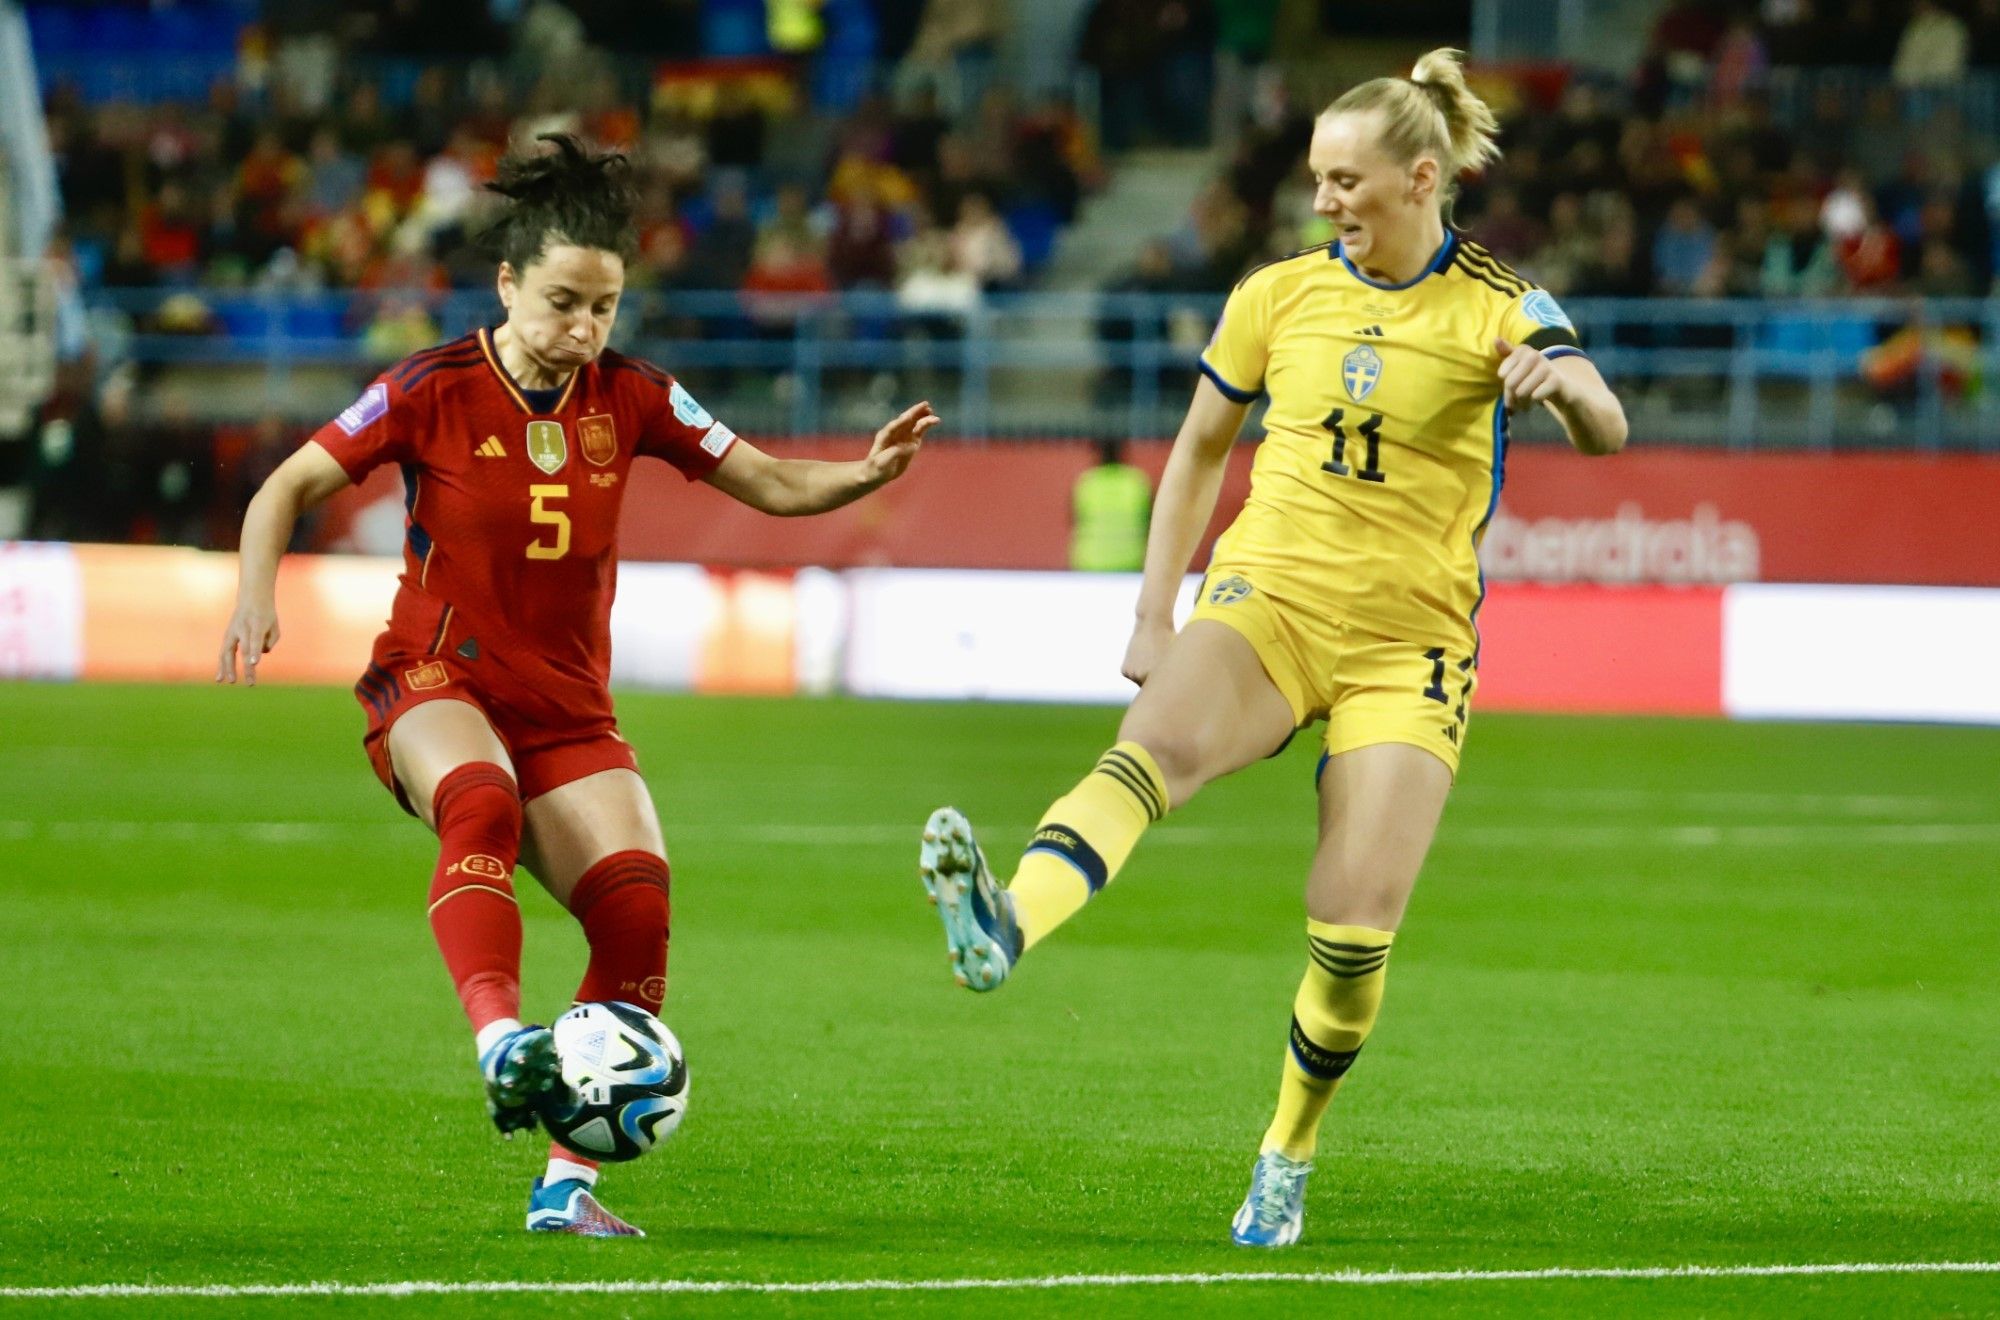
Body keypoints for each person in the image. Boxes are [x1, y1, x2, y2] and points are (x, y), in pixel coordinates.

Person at [916, 50, 1625, 1248]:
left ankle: (1286, 1149)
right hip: (1269, 603)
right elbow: (1197, 449)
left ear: (1417, 177)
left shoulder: (1503, 300)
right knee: (1152, 748)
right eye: (1314, 178)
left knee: (1350, 920)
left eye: (1344, 180)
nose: (1322, 202)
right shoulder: (1274, 295)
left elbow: (1608, 427)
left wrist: (1556, 382)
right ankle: (1005, 923)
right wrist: (1155, 612)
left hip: (1408, 646)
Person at [218, 135, 938, 1238]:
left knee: (638, 907)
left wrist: (864, 471)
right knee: (482, 806)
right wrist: (252, 595)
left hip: (566, 706)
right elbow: (290, 481)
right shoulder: (429, 387)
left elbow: (771, 480)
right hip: (434, 675)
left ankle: (566, 1186)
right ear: (507, 285)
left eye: (604, 308)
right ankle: (503, 1040)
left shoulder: (635, 396)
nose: (584, 330)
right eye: (562, 302)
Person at [1069, 439, 1152, 572]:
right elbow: (1150, 524)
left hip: (1090, 565)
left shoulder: (1086, 483)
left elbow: (1074, 522)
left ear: (1097, 452)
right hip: (1130, 563)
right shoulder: (1136, 482)